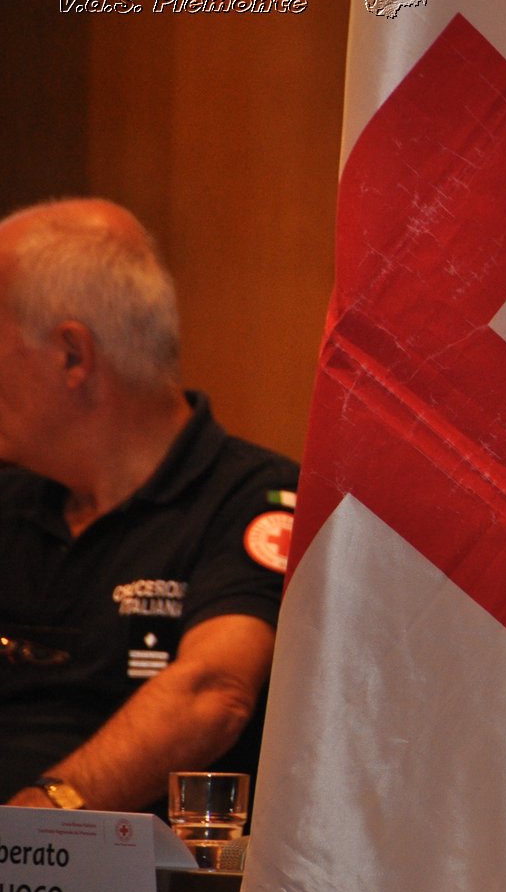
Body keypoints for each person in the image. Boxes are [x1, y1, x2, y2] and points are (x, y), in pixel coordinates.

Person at [0, 198, 299, 812]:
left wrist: (33, 832)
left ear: (72, 355)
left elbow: (211, 694)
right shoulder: (11, 500)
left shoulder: (256, 502)